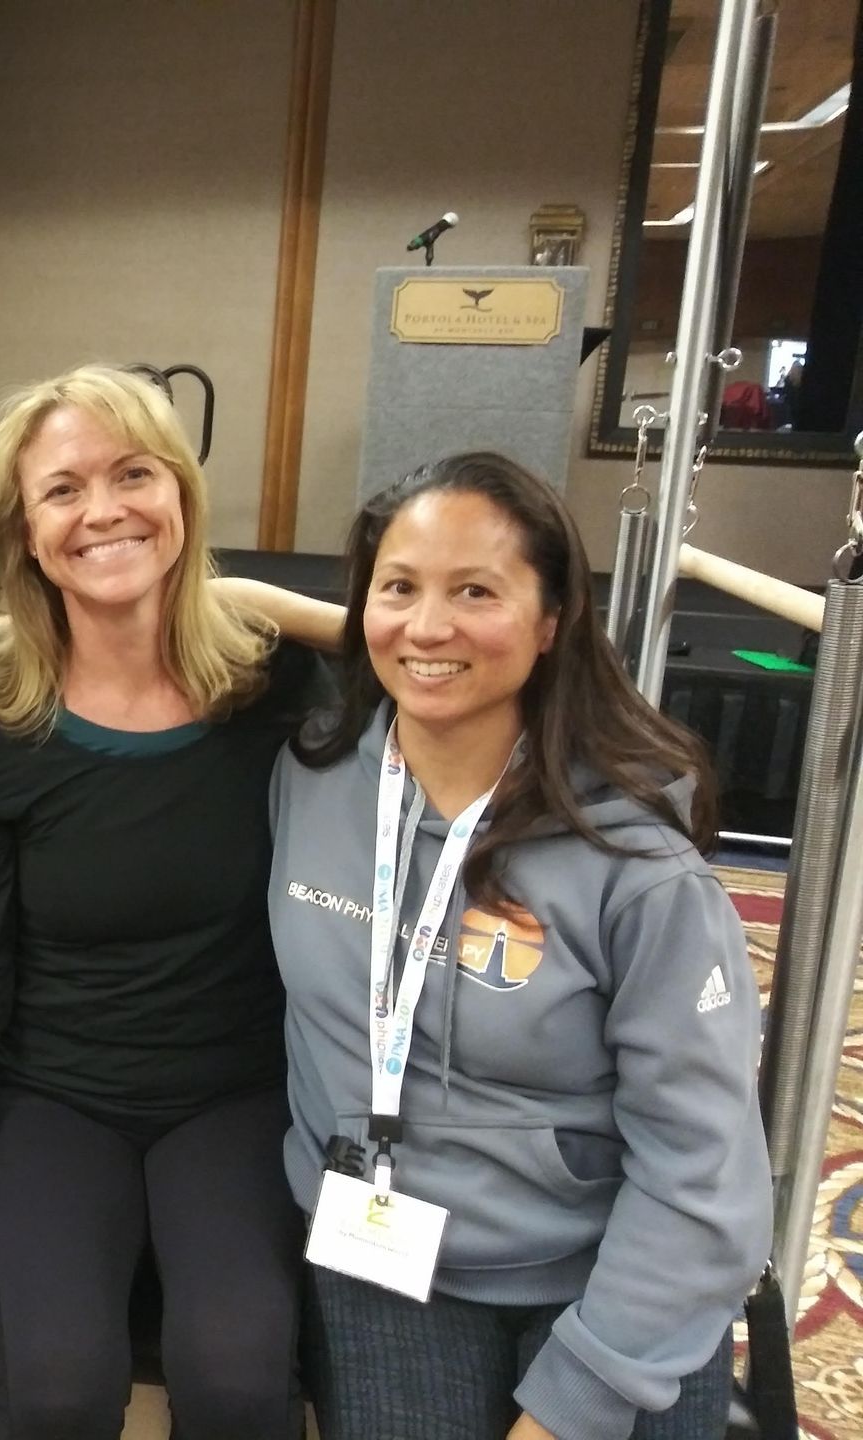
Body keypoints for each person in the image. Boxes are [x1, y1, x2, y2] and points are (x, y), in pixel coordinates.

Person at [270, 452, 770, 1440]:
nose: (428, 627)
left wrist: (573, 1404)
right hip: (382, 1249)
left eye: (476, 592)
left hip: (602, 1267)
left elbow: (701, 1174)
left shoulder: (636, 865)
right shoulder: (311, 778)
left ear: (551, 623)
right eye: (399, 588)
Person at [0, 364, 319, 1439]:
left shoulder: (273, 684)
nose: (104, 510)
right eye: (63, 489)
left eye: (134, 474)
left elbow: (435, 644)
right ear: (27, 534)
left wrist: (270, 602)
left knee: (237, 1379)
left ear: (180, 493)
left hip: (234, 1094)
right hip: (51, 1098)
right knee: (59, 1389)